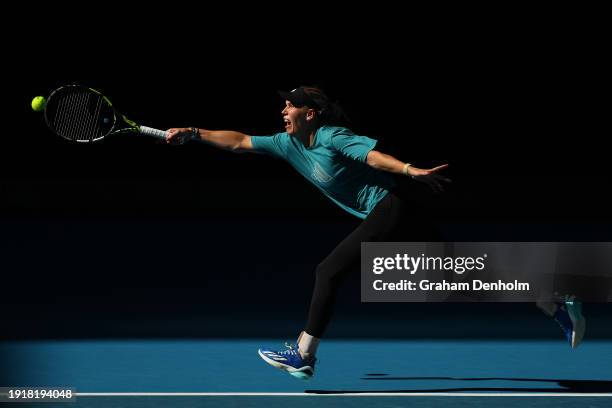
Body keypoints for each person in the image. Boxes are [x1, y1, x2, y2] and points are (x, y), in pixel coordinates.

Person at [165, 86, 583, 380]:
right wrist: (194, 133)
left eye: (289, 106)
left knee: (328, 271)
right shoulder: (286, 143)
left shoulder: (331, 135)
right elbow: (238, 141)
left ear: (309, 113)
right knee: (461, 272)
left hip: (392, 208)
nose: (282, 112)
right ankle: (554, 300)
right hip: (399, 213)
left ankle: (304, 355)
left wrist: (409, 170)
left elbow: (374, 156)